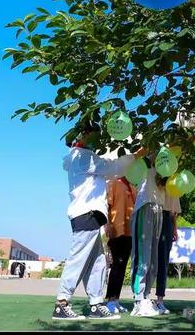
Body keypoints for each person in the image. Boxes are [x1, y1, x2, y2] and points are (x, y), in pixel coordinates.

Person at [52, 121, 146, 321]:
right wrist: (136, 155)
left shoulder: (79, 156)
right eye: (95, 135)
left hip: (92, 215)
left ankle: (95, 303)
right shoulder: (84, 157)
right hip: (86, 214)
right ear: (84, 135)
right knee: (78, 258)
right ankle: (62, 302)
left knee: (98, 261)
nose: (98, 140)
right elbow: (113, 169)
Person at [130, 155, 167, 317]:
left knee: (153, 259)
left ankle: (146, 296)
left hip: (159, 208)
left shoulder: (164, 166)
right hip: (144, 206)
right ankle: (138, 301)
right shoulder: (142, 161)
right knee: (143, 255)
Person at [104, 175, 137, 314]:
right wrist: (107, 225)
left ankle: (116, 300)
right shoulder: (114, 183)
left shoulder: (134, 186)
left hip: (129, 232)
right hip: (116, 230)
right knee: (117, 265)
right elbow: (107, 205)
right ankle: (110, 301)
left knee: (122, 266)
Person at [154, 191, 181, 315]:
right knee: (147, 259)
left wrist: (174, 228)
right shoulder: (152, 176)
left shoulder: (174, 183)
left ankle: (160, 299)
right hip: (152, 214)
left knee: (163, 261)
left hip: (166, 219)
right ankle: (141, 299)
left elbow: (173, 212)